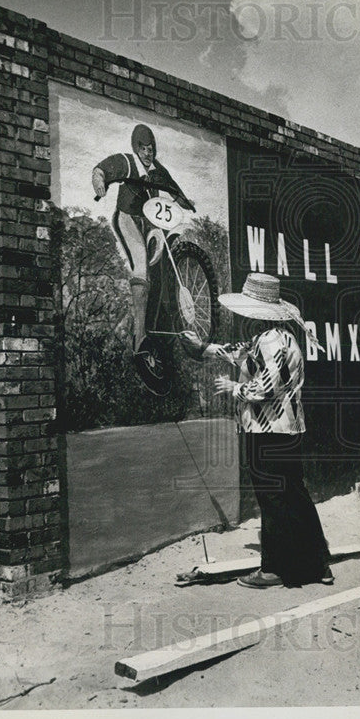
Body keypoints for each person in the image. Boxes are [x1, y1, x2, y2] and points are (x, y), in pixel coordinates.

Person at [180, 273, 333, 589]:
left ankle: (274, 569)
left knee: (273, 499)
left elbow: (266, 386)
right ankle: (318, 565)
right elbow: (238, 353)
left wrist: (235, 388)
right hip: (286, 431)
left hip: (269, 432)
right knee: (294, 495)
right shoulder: (275, 337)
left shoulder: (271, 341)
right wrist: (202, 347)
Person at [92, 123, 194, 394]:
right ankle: (138, 338)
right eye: (143, 149)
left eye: (151, 149)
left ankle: (159, 321)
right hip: (128, 220)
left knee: (163, 258)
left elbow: (174, 190)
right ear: (136, 148)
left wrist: (184, 201)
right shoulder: (127, 163)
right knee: (141, 266)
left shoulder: (158, 170)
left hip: (151, 222)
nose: (147, 154)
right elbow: (102, 169)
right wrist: (99, 182)